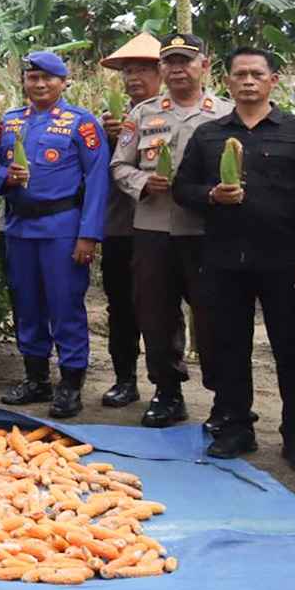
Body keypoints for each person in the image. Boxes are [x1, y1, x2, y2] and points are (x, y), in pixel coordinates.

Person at [173, 46, 295, 472]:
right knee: (228, 348)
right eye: (240, 74)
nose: (248, 81)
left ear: (272, 80)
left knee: (291, 349)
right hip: (224, 258)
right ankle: (237, 427)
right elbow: (182, 188)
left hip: (284, 260)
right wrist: (210, 195)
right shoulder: (209, 134)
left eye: (257, 74)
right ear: (227, 81)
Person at [110, 34, 231, 427]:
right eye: (169, 63)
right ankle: (167, 391)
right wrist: (142, 184)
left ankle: (223, 397)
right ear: (162, 69)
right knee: (155, 315)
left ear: (205, 66)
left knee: (214, 316)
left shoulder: (224, 114)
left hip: (207, 232)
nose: (177, 69)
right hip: (153, 229)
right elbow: (120, 165)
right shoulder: (144, 114)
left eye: (185, 61)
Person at [0, 51, 110, 419]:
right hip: (19, 227)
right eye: (33, 78)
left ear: (64, 82)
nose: (40, 84)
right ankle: (36, 379)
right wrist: (5, 178)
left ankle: (71, 385)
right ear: (24, 82)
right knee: (27, 306)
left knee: (65, 307)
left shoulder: (81, 122)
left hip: (63, 227)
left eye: (49, 78)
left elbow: (97, 179)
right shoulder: (11, 122)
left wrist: (88, 235)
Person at [95, 32, 162, 410]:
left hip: (167, 228)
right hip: (122, 226)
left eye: (144, 70)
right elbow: (98, 170)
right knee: (121, 307)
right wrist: (108, 139)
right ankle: (125, 380)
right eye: (128, 71)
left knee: (162, 308)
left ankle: (166, 384)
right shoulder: (111, 119)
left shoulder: (174, 112)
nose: (134, 78)